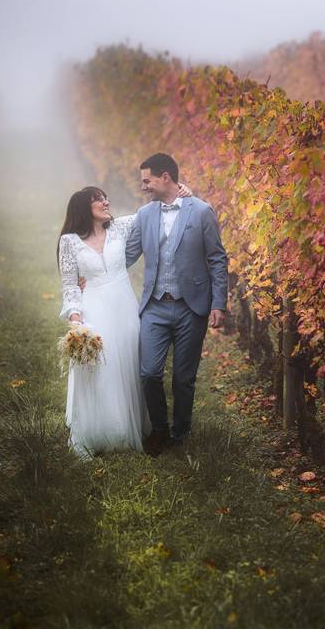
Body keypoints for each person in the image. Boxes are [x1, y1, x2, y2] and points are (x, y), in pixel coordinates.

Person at [57, 183, 193, 458]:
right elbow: (70, 286)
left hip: (125, 307)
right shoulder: (69, 242)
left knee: (131, 364)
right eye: (99, 200)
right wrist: (76, 320)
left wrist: (180, 191)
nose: (106, 202)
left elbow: (155, 210)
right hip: (94, 308)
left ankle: (138, 426)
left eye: (106, 198)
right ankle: (105, 429)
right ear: (85, 208)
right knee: (100, 368)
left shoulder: (121, 227)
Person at [125, 153, 228, 456]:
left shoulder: (201, 212)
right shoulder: (144, 215)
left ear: (165, 177)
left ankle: (180, 433)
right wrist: (89, 267)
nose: (143, 186)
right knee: (149, 373)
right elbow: (127, 255)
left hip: (190, 308)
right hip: (155, 307)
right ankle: (158, 428)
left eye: (147, 180)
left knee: (184, 378)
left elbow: (217, 259)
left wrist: (218, 304)